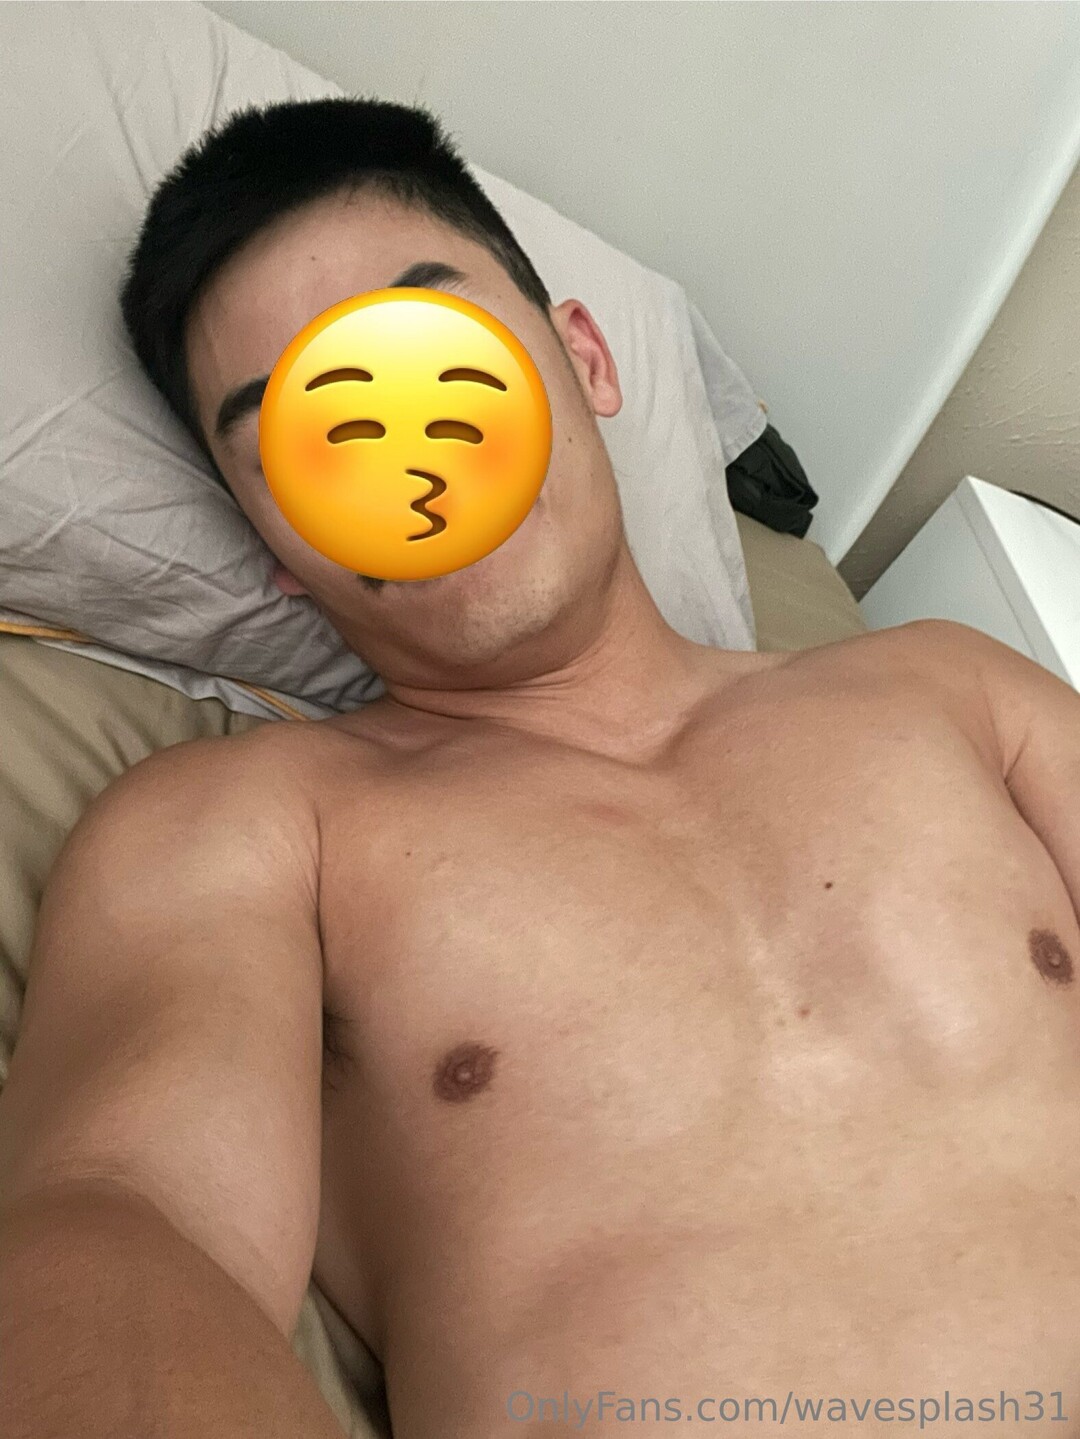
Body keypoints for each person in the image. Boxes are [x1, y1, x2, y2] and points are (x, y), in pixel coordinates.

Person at [2, 98, 1078, 1439]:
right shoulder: (254, 826)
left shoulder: (956, 692)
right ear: (277, 546)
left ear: (585, 358)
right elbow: (119, 1222)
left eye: (434, 348)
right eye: (303, 434)